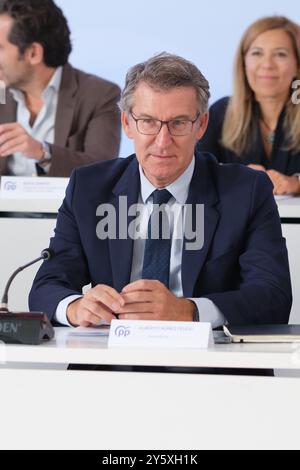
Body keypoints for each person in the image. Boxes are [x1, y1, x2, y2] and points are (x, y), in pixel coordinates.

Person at [29, 53, 292, 331]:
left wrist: (188, 311)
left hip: (212, 364)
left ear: (201, 125)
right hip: (112, 361)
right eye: (149, 122)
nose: (163, 142)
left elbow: (273, 296)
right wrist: (74, 307)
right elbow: (46, 286)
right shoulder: (89, 187)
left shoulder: (246, 191)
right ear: (127, 124)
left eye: (178, 123)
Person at [0, 0, 121, 178]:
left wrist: (43, 152)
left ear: (33, 53)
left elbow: (103, 171)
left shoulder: (100, 95)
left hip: (63, 206)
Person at [197, 16, 300, 196]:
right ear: (244, 63)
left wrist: (297, 183)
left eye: (280, 54)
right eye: (257, 53)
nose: (267, 65)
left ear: (297, 65)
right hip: (239, 224)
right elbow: (194, 173)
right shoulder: (221, 113)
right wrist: (232, 175)